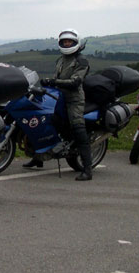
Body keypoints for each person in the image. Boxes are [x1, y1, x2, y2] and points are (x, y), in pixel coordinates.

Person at [22, 29, 94, 180]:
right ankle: (39, 158)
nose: (67, 44)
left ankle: (87, 169)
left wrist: (54, 82)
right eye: (64, 42)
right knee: (44, 121)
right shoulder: (61, 59)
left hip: (74, 99)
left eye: (70, 42)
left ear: (76, 43)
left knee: (78, 127)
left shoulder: (81, 61)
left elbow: (76, 81)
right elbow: (56, 78)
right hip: (58, 96)